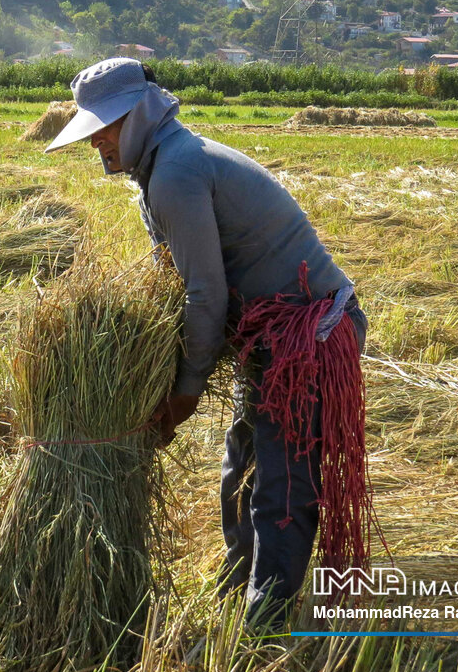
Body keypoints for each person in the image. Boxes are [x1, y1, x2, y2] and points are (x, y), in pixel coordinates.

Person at [44, 57, 370, 631]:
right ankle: (239, 583)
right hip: (269, 337)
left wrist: (186, 390)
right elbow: (180, 279)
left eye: (108, 126)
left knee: (281, 482)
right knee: (240, 461)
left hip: (305, 338)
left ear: (141, 115)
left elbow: (204, 294)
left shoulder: (177, 172)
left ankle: (264, 625)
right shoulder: (163, 165)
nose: (97, 140)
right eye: (92, 128)